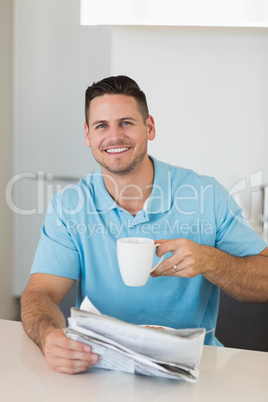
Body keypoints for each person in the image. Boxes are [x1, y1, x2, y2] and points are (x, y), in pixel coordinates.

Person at [21, 75, 268, 374]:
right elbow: (40, 293)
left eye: (126, 122)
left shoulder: (205, 195)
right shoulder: (69, 206)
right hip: (99, 366)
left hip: (192, 369)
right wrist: (49, 337)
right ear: (87, 135)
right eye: (102, 126)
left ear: (149, 127)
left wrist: (210, 261)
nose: (114, 136)